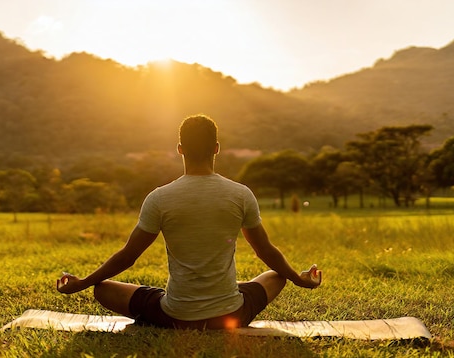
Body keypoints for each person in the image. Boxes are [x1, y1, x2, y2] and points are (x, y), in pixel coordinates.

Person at [57, 114, 322, 330]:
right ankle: (225, 292)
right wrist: (299, 280)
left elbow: (128, 256)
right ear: (216, 148)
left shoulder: (159, 198)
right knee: (276, 276)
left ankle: (198, 295)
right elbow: (265, 251)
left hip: (176, 316)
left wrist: (83, 282)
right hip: (231, 314)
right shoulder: (241, 194)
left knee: (102, 290)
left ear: (180, 149)